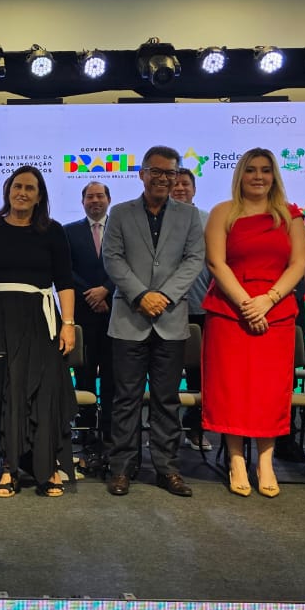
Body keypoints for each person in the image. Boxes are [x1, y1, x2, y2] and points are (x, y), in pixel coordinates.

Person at [201, 148, 305, 498]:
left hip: (276, 310)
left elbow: (298, 264)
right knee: (231, 387)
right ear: (240, 175)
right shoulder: (222, 212)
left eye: (265, 170)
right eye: (251, 170)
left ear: (274, 175)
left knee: (269, 389)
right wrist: (247, 304)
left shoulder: (291, 216)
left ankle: (265, 462)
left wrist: (268, 300)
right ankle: (235, 460)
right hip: (230, 310)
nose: (258, 176)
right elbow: (216, 263)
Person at [101, 146, 205, 498]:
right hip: (129, 318)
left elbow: (194, 260)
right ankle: (122, 467)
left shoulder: (189, 216)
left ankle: (167, 468)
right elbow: (112, 258)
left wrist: (165, 296)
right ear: (142, 174)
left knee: (166, 399)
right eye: (156, 171)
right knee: (126, 398)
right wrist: (141, 295)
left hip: (171, 319)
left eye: (170, 173)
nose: (163, 178)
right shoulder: (120, 212)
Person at [0, 165, 77, 498]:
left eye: (30, 188)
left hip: (41, 320)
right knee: (9, 391)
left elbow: (65, 281)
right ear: (8, 190)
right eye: (17, 186)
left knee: (45, 391)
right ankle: (9, 468)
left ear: (39, 196)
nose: (22, 193)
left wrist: (68, 324)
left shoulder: (53, 231)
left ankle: (48, 467)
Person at [64, 181, 115, 457]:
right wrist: (92, 295)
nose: (95, 201)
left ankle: (108, 428)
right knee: (83, 373)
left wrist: (106, 289)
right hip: (82, 314)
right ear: (82, 201)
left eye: (100, 196)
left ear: (108, 199)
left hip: (114, 313)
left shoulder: (120, 229)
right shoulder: (68, 231)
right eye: (90, 197)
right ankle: (83, 428)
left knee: (111, 374)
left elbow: (125, 265)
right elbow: (65, 270)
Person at [173, 168, 213, 453]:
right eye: (175, 184)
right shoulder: (159, 219)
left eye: (185, 184)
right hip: (167, 309)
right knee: (166, 373)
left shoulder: (208, 221)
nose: (179, 188)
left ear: (194, 189)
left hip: (201, 307)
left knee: (199, 374)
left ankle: (196, 428)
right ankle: (165, 431)